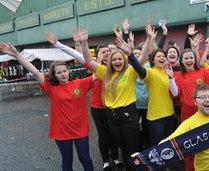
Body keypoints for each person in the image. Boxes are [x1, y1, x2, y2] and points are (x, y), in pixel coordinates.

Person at [0, 43, 95, 171]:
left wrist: (84, 43)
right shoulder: (51, 87)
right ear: (54, 75)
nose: (62, 74)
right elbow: (33, 70)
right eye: (59, 72)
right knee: (67, 161)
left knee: (85, 158)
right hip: (61, 132)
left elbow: (98, 71)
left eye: (64, 71)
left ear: (68, 71)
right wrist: (16, 55)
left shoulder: (80, 83)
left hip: (81, 130)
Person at [45, 33, 122, 170]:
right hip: (98, 107)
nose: (107, 53)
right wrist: (59, 44)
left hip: (114, 106)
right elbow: (81, 56)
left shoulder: (117, 66)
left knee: (114, 134)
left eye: (108, 51)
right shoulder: (96, 68)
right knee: (103, 136)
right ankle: (105, 161)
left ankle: (116, 158)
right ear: (97, 56)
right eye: (103, 52)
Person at [132, 84, 209, 171]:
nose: (207, 99)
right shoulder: (189, 123)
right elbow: (169, 142)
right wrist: (144, 156)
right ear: (195, 101)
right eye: (202, 97)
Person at [74, 26, 143, 170]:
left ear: (124, 61)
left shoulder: (130, 71)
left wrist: (148, 39)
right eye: (114, 59)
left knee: (133, 147)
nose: (117, 61)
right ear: (110, 62)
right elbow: (88, 59)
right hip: (112, 115)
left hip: (128, 114)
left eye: (120, 59)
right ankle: (127, 167)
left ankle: (136, 168)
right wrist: (84, 42)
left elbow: (143, 58)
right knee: (122, 147)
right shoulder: (104, 72)